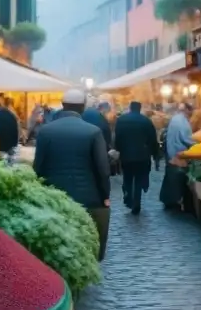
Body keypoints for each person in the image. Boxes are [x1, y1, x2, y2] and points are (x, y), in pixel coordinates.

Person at [34, 88, 111, 261]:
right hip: (88, 198)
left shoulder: (46, 131)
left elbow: (38, 167)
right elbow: (103, 169)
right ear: (82, 108)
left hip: (54, 196)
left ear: (63, 105)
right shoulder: (93, 131)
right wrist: (105, 195)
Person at [113, 101, 159, 215]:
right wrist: (155, 154)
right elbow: (152, 139)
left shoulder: (121, 120)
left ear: (130, 108)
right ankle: (136, 202)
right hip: (142, 156)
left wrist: (118, 149)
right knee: (139, 179)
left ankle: (128, 195)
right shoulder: (146, 121)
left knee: (127, 177)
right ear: (140, 108)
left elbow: (117, 137)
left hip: (126, 155)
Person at [160, 102, 196, 210]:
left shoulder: (176, 119)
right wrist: (199, 145)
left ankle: (169, 200)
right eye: (191, 112)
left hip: (172, 153)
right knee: (176, 180)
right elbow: (187, 139)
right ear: (187, 110)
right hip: (178, 154)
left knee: (171, 179)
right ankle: (173, 202)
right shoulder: (182, 121)